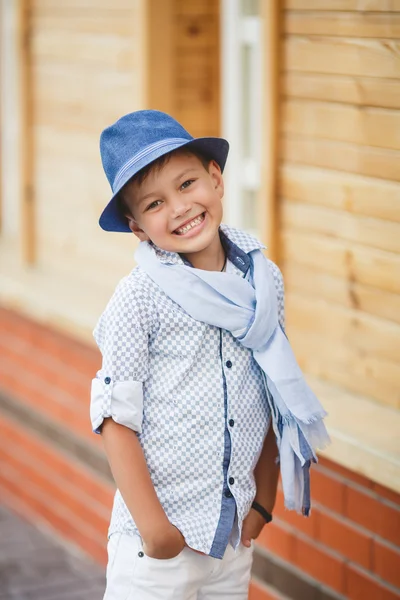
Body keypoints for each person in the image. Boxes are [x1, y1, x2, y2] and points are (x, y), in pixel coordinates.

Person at [91, 110, 330, 600]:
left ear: (215, 179)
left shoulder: (262, 283)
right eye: (155, 203)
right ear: (137, 227)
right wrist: (157, 532)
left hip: (229, 540)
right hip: (157, 550)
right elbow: (116, 419)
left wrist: (262, 502)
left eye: (187, 184)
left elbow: (268, 392)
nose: (179, 208)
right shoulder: (138, 299)